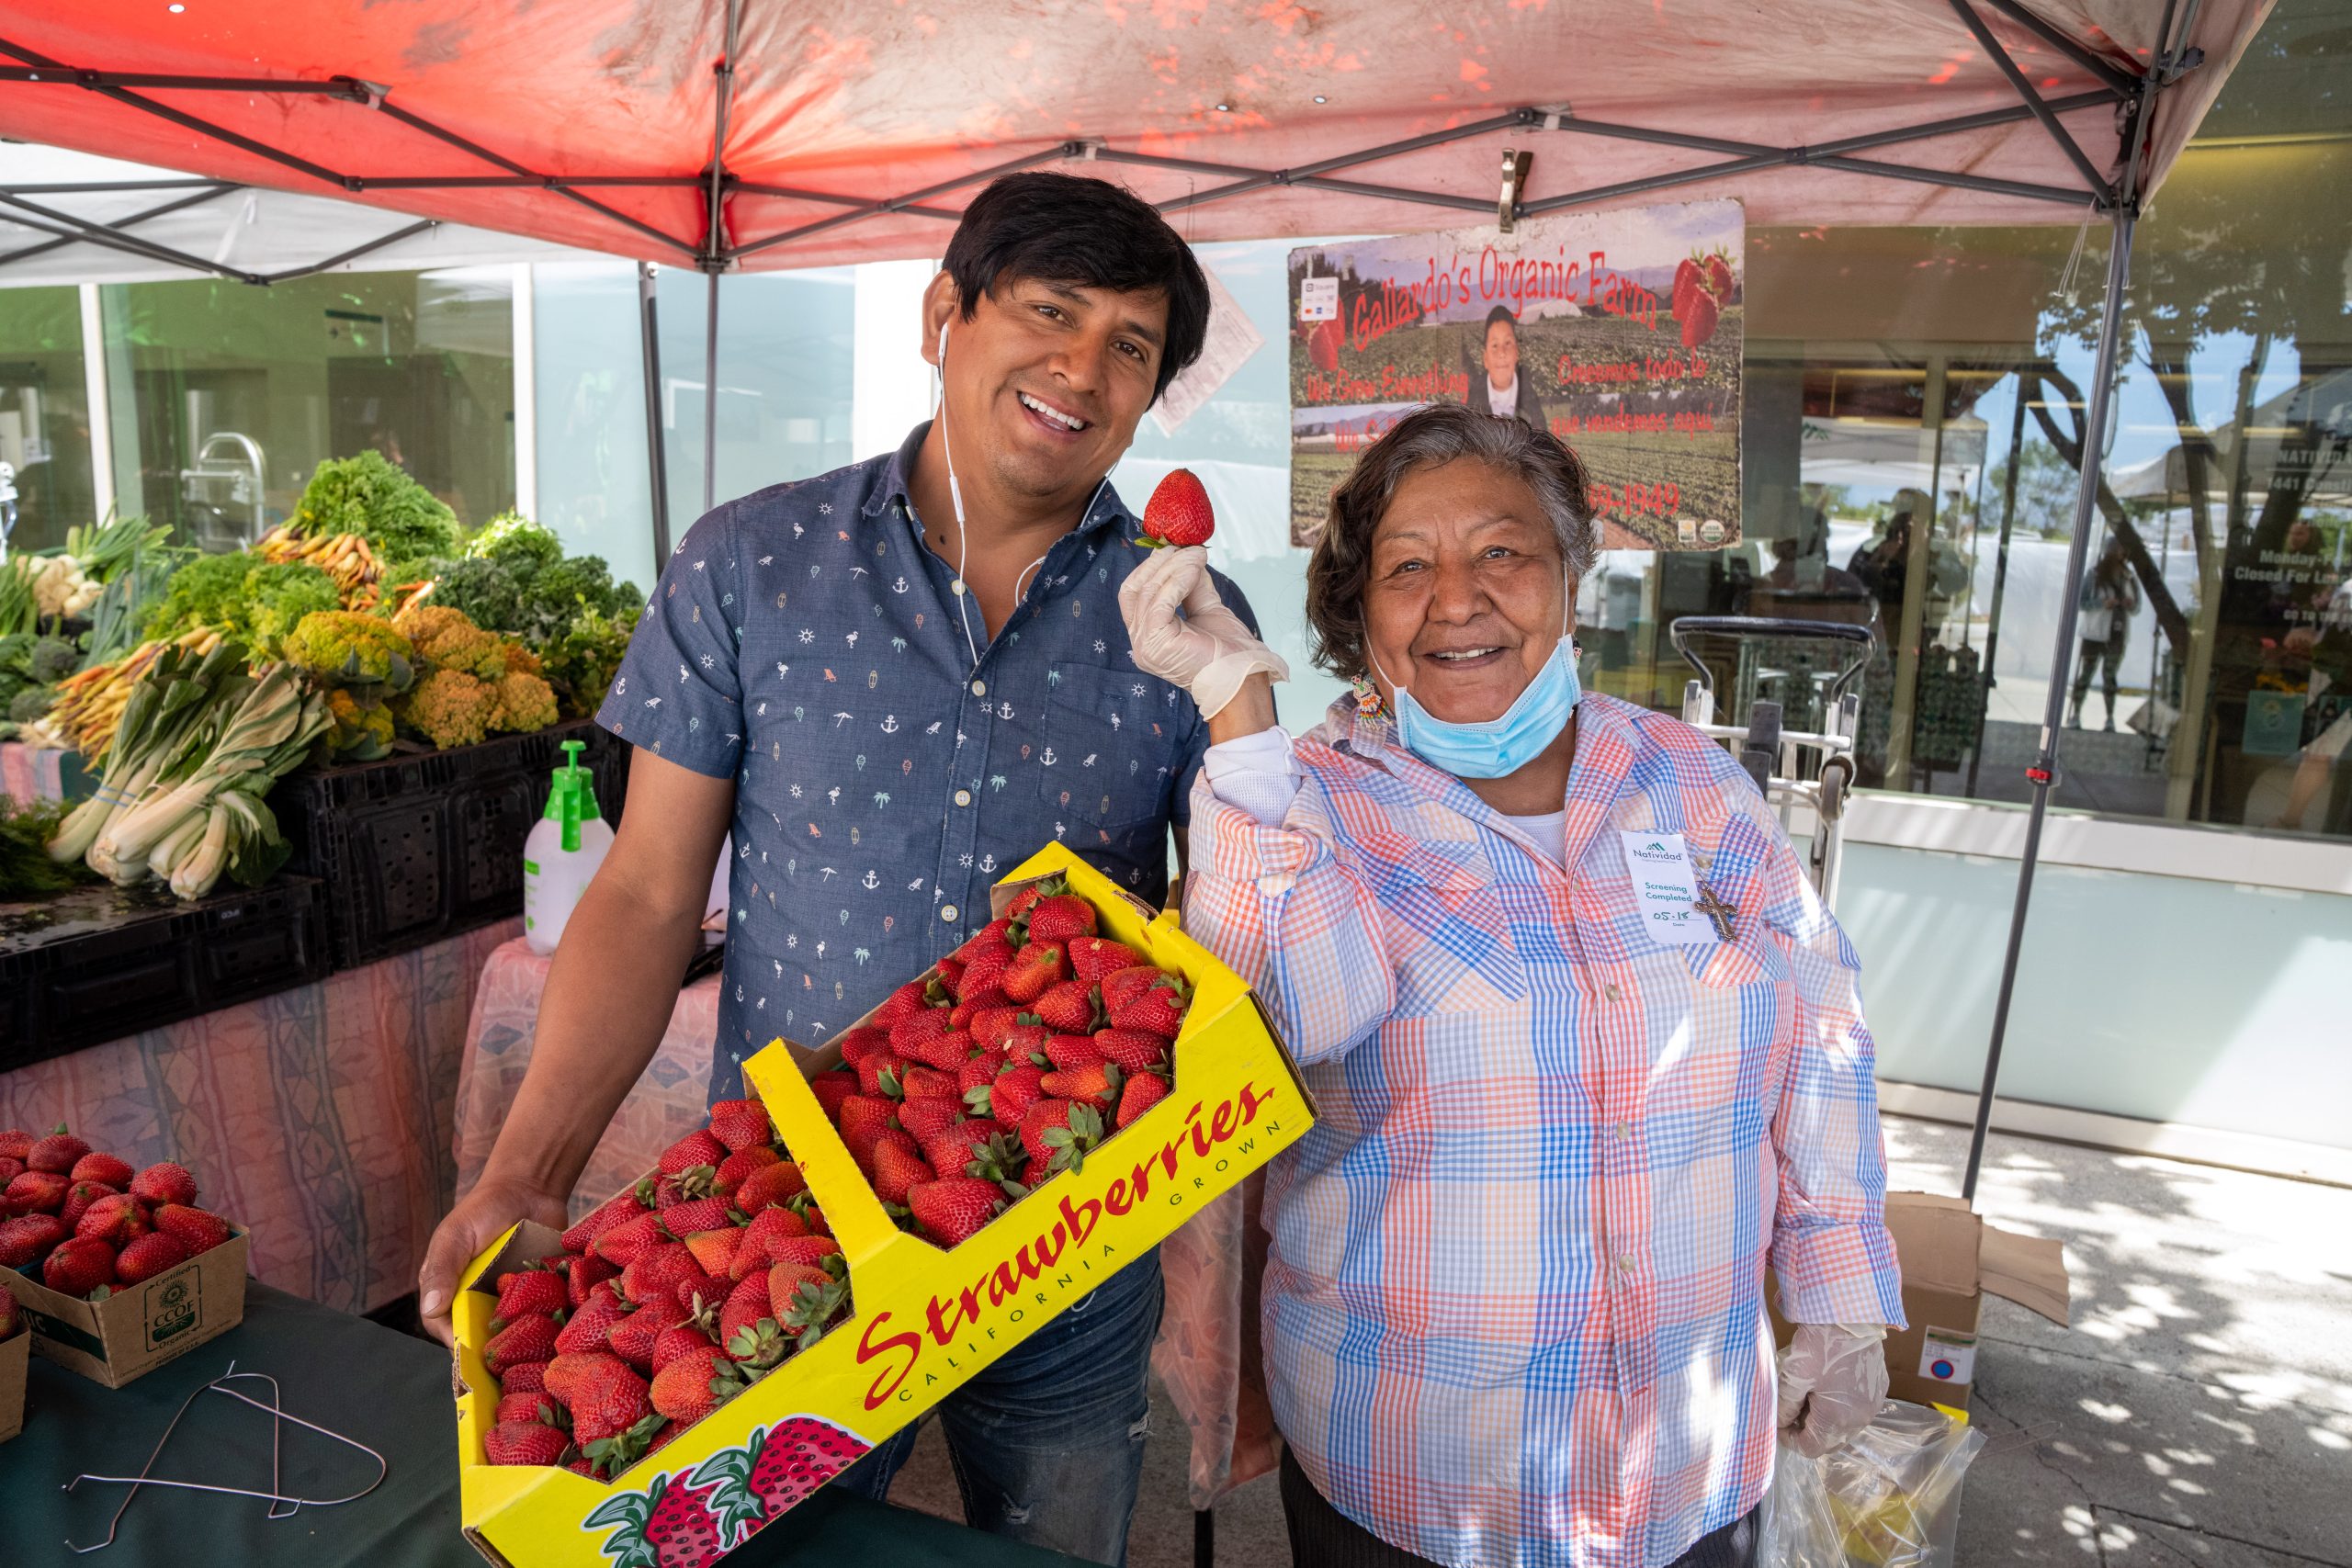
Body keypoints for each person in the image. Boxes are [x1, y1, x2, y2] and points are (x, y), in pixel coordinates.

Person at [418, 172, 1263, 1565]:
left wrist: (1245, 710)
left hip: (1064, 1240)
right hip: (779, 1239)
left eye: (1130, 345)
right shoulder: (753, 563)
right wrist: (530, 1167)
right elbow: (642, 892)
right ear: (944, 313)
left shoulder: (1186, 620)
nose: (1084, 369)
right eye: (1050, 313)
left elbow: (1239, 934)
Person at [1120, 403, 1903, 1567]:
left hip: (1690, 1464)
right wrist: (1239, 716)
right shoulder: (1305, 802)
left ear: (1570, 578)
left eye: (1501, 551)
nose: (1457, 597)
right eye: (1406, 569)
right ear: (1360, 620)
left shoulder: (1688, 780)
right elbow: (1293, 1016)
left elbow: (1817, 1016)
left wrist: (1838, 1289)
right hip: (1416, 1474)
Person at [2067, 534, 2142, 730]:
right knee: (2086, 675)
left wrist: (2128, 604)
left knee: (2110, 678)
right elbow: (2081, 602)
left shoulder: (2129, 577)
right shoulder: (2093, 575)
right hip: (2094, 634)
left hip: (2117, 635)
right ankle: (2076, 714)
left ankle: (2109, 718)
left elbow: (2136, 608)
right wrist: (2101, 604)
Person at [1464, 304, 1551, 434]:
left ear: (1517, 352)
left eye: (1508, 343)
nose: (1502, 353)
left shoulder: (1532, 402)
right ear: (1485, 358)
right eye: (1494, 345)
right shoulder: (1472, 405)